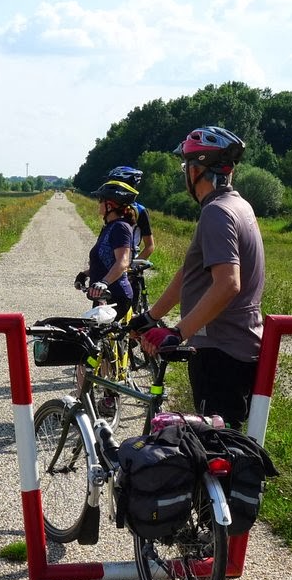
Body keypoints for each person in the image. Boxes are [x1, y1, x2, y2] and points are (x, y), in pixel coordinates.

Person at [132, 126, 265, 430]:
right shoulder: (238, 206)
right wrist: (152, 317)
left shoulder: (216, 213)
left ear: (197, 170)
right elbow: (190, 273)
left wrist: (176, 332)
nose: (185, 173)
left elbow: (229, 283)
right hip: (238, 347)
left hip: (220, 353)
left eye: (187, 166)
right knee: (223, 446)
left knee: (215, 452)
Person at [76, 178, 138, 321]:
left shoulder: (120, 227)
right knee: (95, 338)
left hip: (115, 295)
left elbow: (123, 262)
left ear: (109, 205)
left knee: (94, 338)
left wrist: (104, 283)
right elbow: (107, 262)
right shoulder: (109, 227)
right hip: (103, 294)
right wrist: (85, 274)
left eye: (100, 201)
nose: (98, 204)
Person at [105, 166, 154, 259]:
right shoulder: (110, 208)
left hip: (128, 260)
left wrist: (133, 266)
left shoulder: (140, 211)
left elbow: (150, 246)